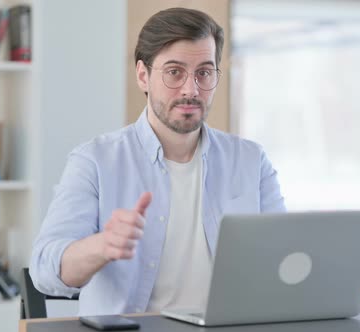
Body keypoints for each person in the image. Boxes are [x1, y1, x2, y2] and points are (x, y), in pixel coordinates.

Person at [29, 7, 285, 316]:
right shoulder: (95, 161)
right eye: (174, 72)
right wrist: (102, 245)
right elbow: (44, 271)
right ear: (143, 75)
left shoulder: (251, 161)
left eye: (204, 72)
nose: (191, 89)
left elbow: (283, 261)